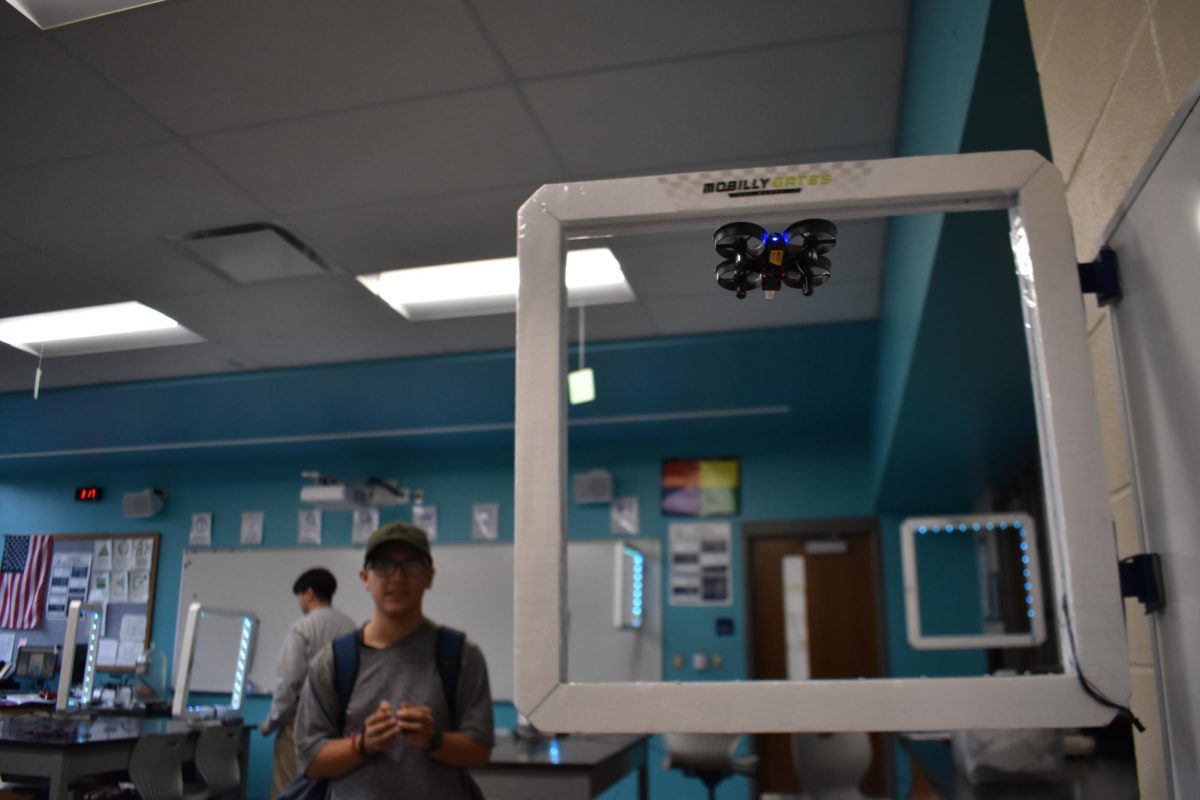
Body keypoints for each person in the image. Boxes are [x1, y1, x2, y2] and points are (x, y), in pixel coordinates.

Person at [294, 522, 493, 799]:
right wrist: (362, 745)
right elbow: (310, 759)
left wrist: (434, 739)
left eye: (411, 565)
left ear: (429, 576)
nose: (397, 577)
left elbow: (480, 748)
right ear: (365, 577)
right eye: (384, 565)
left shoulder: (460, 656)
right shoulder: (334, 661)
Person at [261, 567, 357, 799]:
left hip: (302, 723)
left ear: (310, 593)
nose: (300, 601)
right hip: (341, 726)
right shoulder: (351, 628)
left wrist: (272, 722)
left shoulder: (302, 628)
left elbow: (290, 682)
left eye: (300, 595)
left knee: (289, 788)